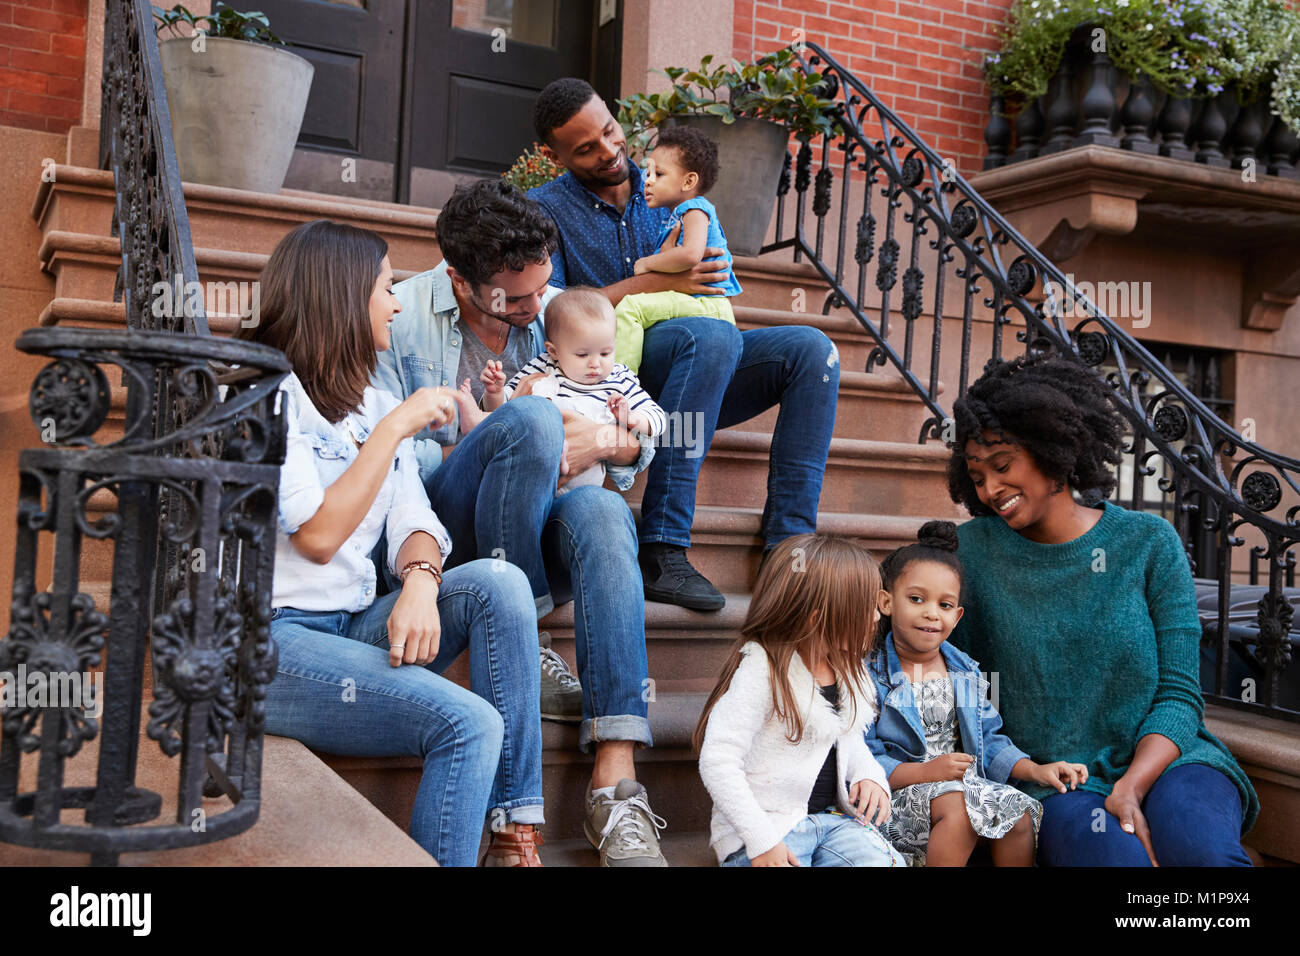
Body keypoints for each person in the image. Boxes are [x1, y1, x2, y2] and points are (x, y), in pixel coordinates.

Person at [373, 179, 670, 866]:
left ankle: (615, 780)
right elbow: (390, 454)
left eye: (545, 288)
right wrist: (516, 434)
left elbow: (630, 435)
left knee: (601, 508)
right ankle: (521, 624)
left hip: (540, 519)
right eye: (518, 297)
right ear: (459, 278)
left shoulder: (554, 311)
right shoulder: (400, 313)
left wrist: (605, 441)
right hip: (447, 517)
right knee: (532, 419)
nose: (539, 309)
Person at [241, 219, 544, 867]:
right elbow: (319, 536)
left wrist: (421, 583)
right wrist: (399, 425)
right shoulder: (265, 400)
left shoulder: (375, 405)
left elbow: (416, 524)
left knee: (499, 583)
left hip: (353, 625)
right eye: (386, 288)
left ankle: (514, 824)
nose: (399, 303)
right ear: (342, 296)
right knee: (468, 723)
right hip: (274, 644)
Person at [529, 77, 840, 613]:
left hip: (697, 374)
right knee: (712, 335)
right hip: (610, 379)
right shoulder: (545, 209)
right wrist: (648, 283)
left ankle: (788, 549)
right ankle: (663, 547)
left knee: (813, 350)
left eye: (610, 131)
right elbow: (548, 309)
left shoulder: (670, 182)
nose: (609, 152)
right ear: (550, 154)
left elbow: (702, 260)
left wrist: (710, 266)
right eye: (585, 148)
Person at [946, 353, 1258, 866]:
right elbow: (957, 690)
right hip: (1059, 783)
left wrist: (1131, 786)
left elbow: (1180, 692)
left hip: (1169, 762)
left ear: (1054, 453)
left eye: (1002, 466)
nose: (990, 489)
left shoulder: (1147, 542)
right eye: (977, 477)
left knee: (1205, 859)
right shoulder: (972, 555)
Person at [865, 521, 1089, 867]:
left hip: (962, 790)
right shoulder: (869, 675)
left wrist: (1035, 770)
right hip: (895, 796)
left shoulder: (965, 672)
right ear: (886, 602)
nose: (930, 613)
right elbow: (865, 757)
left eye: (944, 605)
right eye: (916, 599)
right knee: (960, 809)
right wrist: (927, 772)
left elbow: (990, 739)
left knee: (1018, 814)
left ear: (957, 617)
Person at [695, 534, 905, 867]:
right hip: (769, 828)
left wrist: (869, 775)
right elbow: (717, 761)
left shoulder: (847, 671)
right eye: (866, 607)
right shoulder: (763, 671)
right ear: (817, 618)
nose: (878, 617)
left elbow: (849, 741)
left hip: (833, 822)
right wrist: (761, 841)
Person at [458, 287, 667, 493]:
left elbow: (658, 417)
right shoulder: (544, 367)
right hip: (533, 467)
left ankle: (553, 451)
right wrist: (495, 392)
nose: (596, 364)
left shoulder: (620, 379)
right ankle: (480, 422)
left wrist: (631, 418)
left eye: (605, 353)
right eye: (583, 355)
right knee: (531, 407)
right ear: (553, 351)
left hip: (583, 478)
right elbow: (507, 406)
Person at [614, 124, 738, 374]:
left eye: (658, 174)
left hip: (708, 304)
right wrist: (666, 254)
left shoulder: (694, 209)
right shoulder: (675, 217)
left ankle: (620, 380)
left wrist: (647, 263)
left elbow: (691, 254)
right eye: (647, 172)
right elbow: (674, 264)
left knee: (629, 308)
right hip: (700, 303)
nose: (647, 182)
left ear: (689, 180)